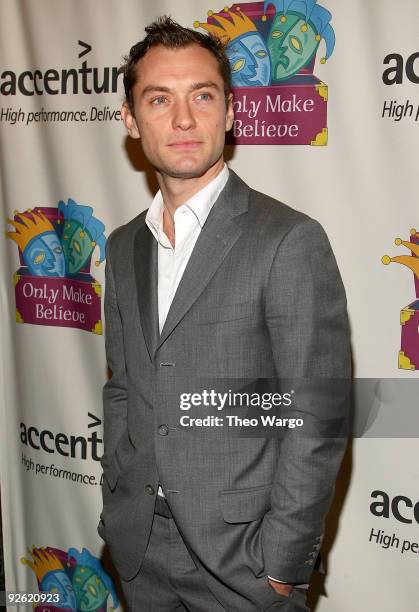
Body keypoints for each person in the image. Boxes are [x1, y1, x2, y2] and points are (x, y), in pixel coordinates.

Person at [98, 15, 351, 612]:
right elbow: (123, 388)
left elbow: (316, 415)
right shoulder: (122, 245)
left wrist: (283, 564)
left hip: (244, 564)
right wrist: (116, 499)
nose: (184, 120)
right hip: (139, 550)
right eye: (159, 99)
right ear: (131, 120)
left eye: (202, 96)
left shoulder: (288, 239)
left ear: (231, 111)